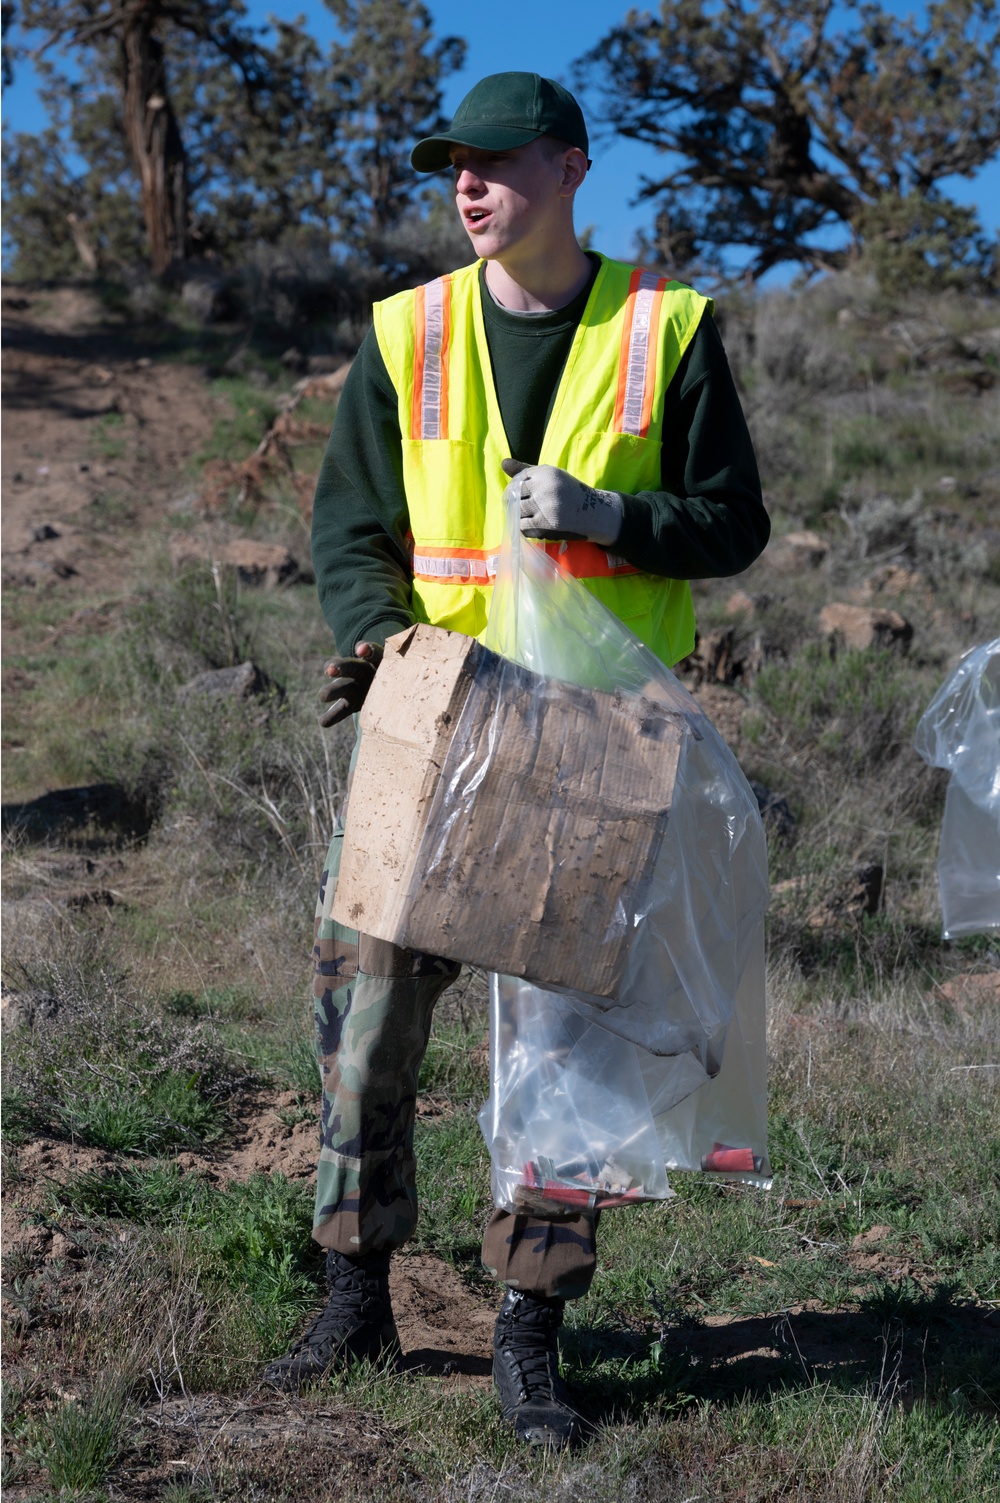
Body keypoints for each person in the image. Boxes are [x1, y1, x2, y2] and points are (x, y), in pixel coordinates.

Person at [264, 71, 769, 1448]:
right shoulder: (409, 331)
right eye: (454, 169)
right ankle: (354, 1294)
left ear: (570, 169)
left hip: (592, 738)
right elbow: (354, 530)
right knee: (362, 1014)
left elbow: (733, 524)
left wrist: (615, 510)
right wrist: (387, 649)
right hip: (432, 720)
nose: (469, 186)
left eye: (496, 164)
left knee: (564, 1049)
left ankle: (531, 1331)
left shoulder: (666, 329)